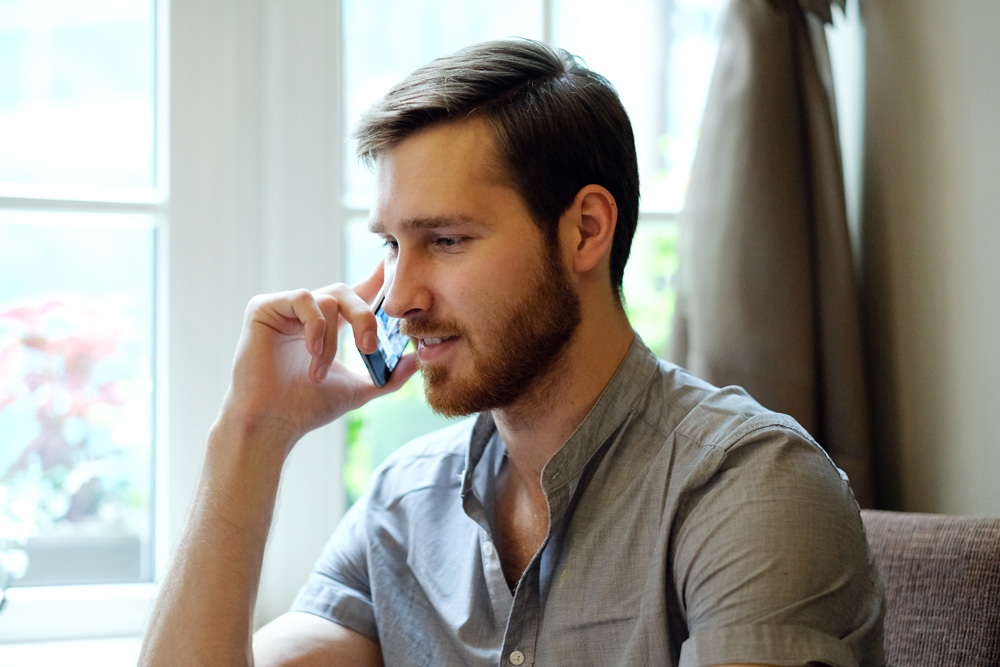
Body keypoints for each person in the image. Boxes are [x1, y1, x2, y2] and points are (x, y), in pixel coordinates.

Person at [139, 39, 884, 667]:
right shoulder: (403, 506)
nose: (396, 298)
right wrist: (251, 431)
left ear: (585, 230)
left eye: (446, 241)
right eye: (393, 245)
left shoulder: (750, 492)